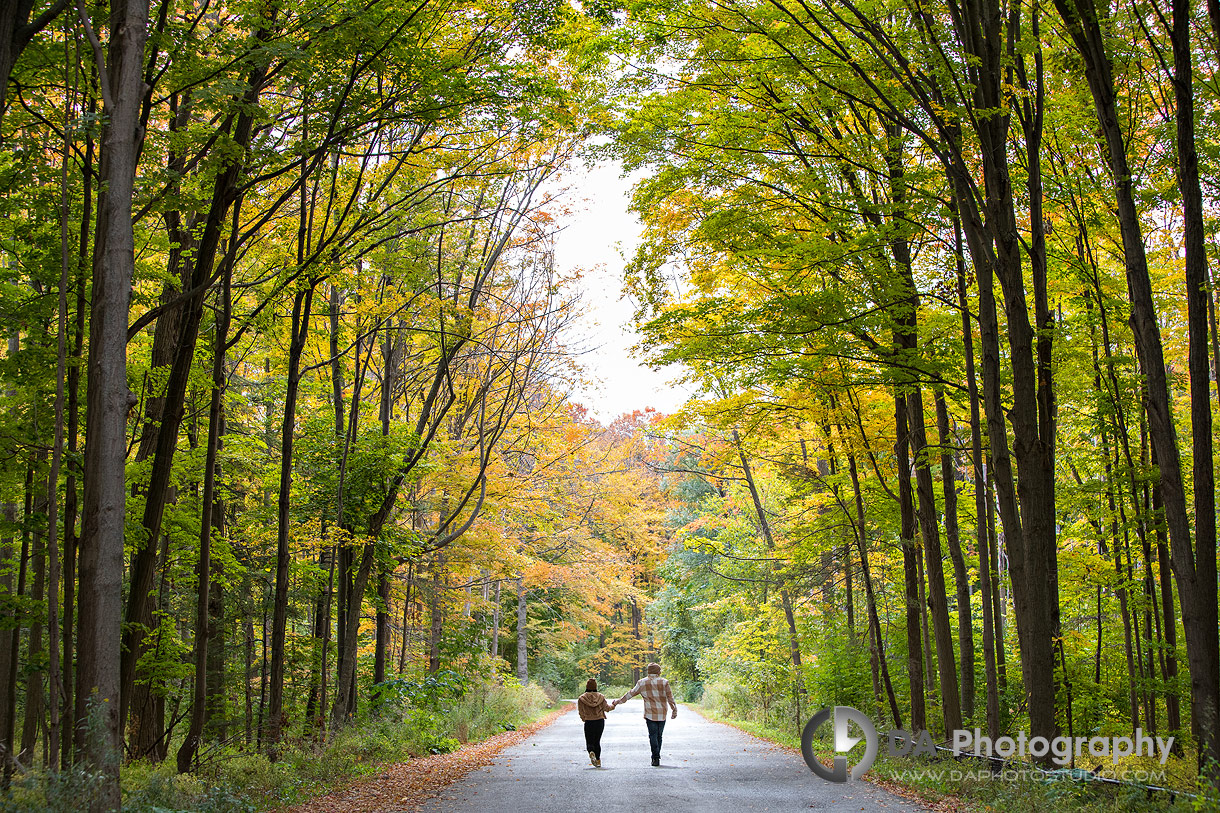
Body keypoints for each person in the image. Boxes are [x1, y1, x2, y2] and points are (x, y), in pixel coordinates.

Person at [613, 662, 677, 766]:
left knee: (652, 735)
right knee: (659, 736)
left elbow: (630, 694)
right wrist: (674, 709)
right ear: (658, 671)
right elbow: (670, 697)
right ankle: (657, 755)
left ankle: (655, 757)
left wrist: (617, 702)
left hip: (650, 713)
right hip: (662, 713)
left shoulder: (642, 682)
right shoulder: (664, 682)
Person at [577, 678, 615, 767]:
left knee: (589, 741)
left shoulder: (582, 698)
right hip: (600, 721)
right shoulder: (601, 697)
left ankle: (591, 752)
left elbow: (581, 711)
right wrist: (613, 705)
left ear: (587, 686)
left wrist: (584, 718)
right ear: (595, 686)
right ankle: (598, 760)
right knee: (597, 741)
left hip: (589, 721)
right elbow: (607, 708)